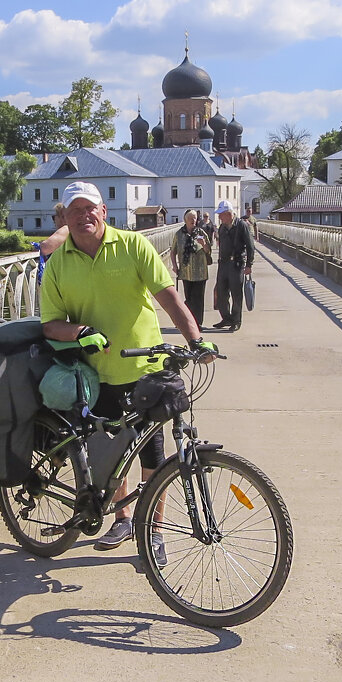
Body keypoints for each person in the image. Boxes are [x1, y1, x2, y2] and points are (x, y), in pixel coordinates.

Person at [41, 181, 216, 565]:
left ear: (104, 211)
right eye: (75, 211)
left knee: (152, 452)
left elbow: (169, 297)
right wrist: (81, 332)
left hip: (147, 367)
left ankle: (153, 529)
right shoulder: (57, 264)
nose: (84, 216)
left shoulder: (135, 246)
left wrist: (196, 339)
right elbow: (50, 325)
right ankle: (122, 519)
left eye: (91, 209)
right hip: (97, 372)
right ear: (64, 218)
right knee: (112, 449)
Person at [212, 200, 255, 331]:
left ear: (229, 214)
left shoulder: (241, 225)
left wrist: (249, 265)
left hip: (237, 264)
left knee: (236, 294)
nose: (219, 217)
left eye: (221, 214)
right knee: (221, 293)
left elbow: (250, 246)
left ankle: (236, 320)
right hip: (223, 264)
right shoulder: (223, 227)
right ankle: (226, 318)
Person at [170, 209, 210, 327]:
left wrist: (203, 244)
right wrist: (174, 266)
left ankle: (198, 323)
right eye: (190, 218)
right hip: (186, 272)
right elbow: (173, 251)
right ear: (185, 220)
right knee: (189, 299)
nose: (193, 220)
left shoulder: (201, 233)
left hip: (200, 272)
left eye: (195, 218)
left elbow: (208, 251)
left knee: (199, 299)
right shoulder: (179, 234)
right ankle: (188, 322)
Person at [32, 204, 68, 285]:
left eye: (54, 217)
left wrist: (36, 246)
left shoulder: (66, 229)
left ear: (63, 217)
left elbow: (45, 248)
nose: (54, 221)